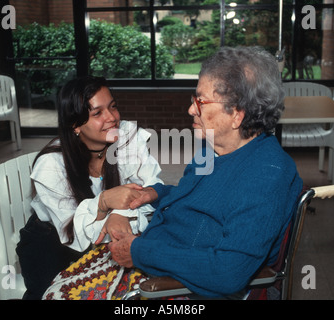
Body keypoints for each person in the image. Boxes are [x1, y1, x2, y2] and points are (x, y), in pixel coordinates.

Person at [109, 46, 303, 298]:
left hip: (180, 288)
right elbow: (196, 198)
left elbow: (228, 271)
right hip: (159, 255)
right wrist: (156, 193)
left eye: (200, 101)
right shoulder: (212, 148)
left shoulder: (267, 174)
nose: (191, 109)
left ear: (236, 115)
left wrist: (138, 252)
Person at [16, 76, 162, 300]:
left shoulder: (128, 139)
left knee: (142, 287)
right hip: (55, 240)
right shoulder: (51, 165)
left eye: (113, 107)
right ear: (75, 125)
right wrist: (104, 201)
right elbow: (75, 231)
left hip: (112, 237)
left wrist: (120, 211)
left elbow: (153, 190)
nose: (112, 118)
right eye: (97, 113)